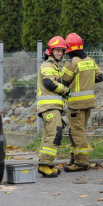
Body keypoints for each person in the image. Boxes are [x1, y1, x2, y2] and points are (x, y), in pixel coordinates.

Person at [60, 32, 103, 172]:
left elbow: (63, 81)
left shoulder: (71, 63)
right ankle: (74, 157)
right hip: (88, 103)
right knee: (78, 131)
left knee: (78, 133)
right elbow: (100, 77)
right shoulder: (90, 60)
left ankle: (81, 162)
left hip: (75, 104)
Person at [35, 35, 70, 178]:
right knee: (54, 134)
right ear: (50, 51)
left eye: (62, 51)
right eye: (57, 51)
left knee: (49, 135)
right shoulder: (47, 65)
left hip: (52, 107)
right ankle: (44, 165)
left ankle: (47, 164)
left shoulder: (54, 66)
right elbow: (49, 84)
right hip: (49, 107)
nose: (60, 53)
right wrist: (65, 90)